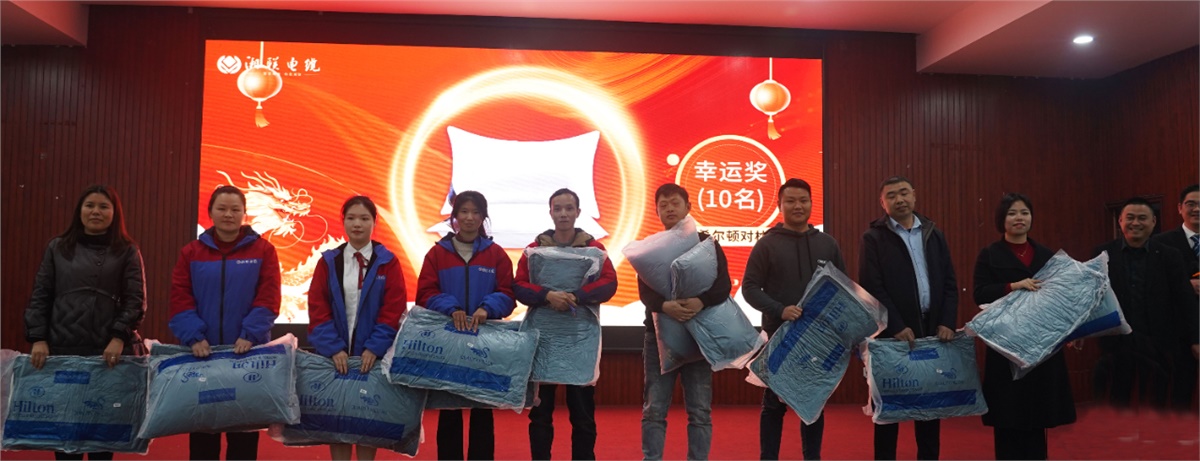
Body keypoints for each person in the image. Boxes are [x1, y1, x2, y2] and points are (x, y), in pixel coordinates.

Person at [25, 185, 146, 461]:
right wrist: (38, 338)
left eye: (104, 206)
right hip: (61, 350)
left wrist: (119, 337)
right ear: (79, 210)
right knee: (65, 438)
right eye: (89, 205)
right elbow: (41, 295)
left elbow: (135, 300)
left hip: (106, 353)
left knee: (100, 439)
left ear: (115, 213)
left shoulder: (126, 250)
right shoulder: (57, 247)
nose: (96, 211)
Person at [169, 185, 281, 460]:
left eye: (235, 209)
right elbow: (180, 298)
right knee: (203, 437)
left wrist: (250, 334)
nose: (228, 214)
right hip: (201, 355)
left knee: (243, 439)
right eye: (222, 208)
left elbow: (268, 297)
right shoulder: (191, 252)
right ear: (210, 213)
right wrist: (194, 337)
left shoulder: (264, 250)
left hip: (246, 356)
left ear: (244, 214)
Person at [741, 178, 844, 460]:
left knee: (813, 404)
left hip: (819, 339)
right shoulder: (767, 244)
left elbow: (842, 288)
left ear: (811, 203)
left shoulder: (827, 244)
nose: (798, 206)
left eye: (803, 200)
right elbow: (749, 288)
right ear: (780, 205)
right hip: (779, 337)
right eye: (791, 201)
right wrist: (779, 309)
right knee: (774, 405)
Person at [514, 188, 618, 460]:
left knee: (583, 415)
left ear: (578, 212)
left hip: (579, 340)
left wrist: (576, 297)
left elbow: (609, 284)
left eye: (569, 208)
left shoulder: (595, 249)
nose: (563, 214)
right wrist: (547, 296)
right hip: (543, 342)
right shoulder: (534, 249)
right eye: (558, 208)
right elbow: (519, 286)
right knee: (540, 415)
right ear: (550, 212)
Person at [858, 176, 957, 460]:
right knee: (889, 411)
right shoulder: (873, 238)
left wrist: (947, 321)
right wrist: (897, 325)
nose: (899, 199)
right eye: (891, 195)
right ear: (883, 203)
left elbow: (949, 282)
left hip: (932, 331)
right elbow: (871, 287)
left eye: (904, 193)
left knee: (930, 408)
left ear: (914, 195)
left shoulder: (933, 233)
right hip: (892, 337)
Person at [971, 193, 1076, 460]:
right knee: (1008, 413)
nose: (1019, 218)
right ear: (1001, 220)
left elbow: (1062, 298)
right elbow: (980, 294)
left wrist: (1071, 331)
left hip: (1043, 344)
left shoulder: (1047, 255)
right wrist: (1012, 286)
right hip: (1007, 345)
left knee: (1039, 413)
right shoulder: (990, 254)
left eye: (1024, 213)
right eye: (1012, 213)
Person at [416, 190, 516, 461]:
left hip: (484, 343)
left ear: (483, 217)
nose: (469, 217)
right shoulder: (437, 254)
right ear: (455, 217)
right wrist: (451, 308)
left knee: (482, 411)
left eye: (475, 212)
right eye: (464, 212)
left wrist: (487, 308)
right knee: (449, 412)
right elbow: (425, 293)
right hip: (448, 343)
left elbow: (508, 294)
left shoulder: (496, 254)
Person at [307, 196, 407, 460]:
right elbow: (318, 308)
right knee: (337, 422)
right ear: (343, 222)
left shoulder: (388, 262)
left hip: (371, 358)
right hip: (335, 358)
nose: (357, 224)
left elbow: (393, 310)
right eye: (351, 218)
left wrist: (374, 348)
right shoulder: (329, 261)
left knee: (366, 420)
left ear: (374, 222)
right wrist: (333, 348)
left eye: (364, 218)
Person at [637, 183, 730, 461]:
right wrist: (664, 306)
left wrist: (701, 301)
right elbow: (645, 293)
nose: (669, 209)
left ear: (688, 207)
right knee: (654, 408)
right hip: (659, 338)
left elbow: (723, 285)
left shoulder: (706, 243)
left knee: (700, 411)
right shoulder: (649, 247)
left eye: (675, 203)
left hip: (698, 336)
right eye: (663, 204)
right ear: (656, 211)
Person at [1093, 197, 1196, 410]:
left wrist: (1196, 339)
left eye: (1142, 218)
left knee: (1158, 402)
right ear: (1120, 221)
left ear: (1153, 222)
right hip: (1116, 342)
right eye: (1130, 218)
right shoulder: (1102, 254)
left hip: (1159, 342)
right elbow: (1090, 296)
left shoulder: (1169, 255)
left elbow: (1185, 300)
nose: (1136, 223)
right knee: (1117, 400)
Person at [1150, 184, 1200, 411]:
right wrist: (1185, 285)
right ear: (1180, 208)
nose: (1197, 209)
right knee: (1180, 391)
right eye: (1191, 204)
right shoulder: (1161, 243)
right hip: (1177, 331)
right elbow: (1152, 285)